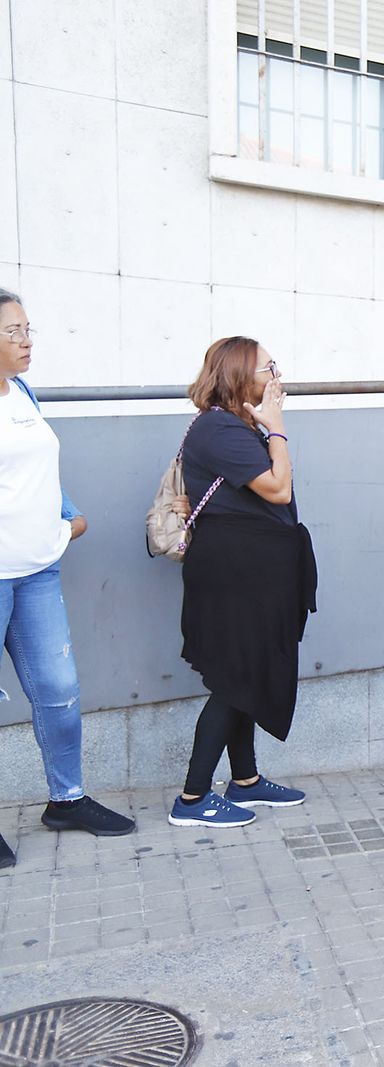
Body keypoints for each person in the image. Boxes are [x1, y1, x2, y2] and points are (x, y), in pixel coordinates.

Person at [0, 289, 135, 867]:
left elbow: (39, 467)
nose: (27, 340)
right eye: (12, 332)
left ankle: (66, 800)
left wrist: (67, 515)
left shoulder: (22, 393)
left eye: (28, 328)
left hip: (37, 572)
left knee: (58, 690)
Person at [169, 337, 317, 828]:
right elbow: (277, 489)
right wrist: (278, 428)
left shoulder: (235, 426)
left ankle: (246, 781)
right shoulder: (218, 429)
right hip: (234, 575)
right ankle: (192, 798)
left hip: (254, 569)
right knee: (235, 679)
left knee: (247, 674)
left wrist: (267, 426)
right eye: (267, 368)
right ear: (238, 377)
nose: (277, 375)